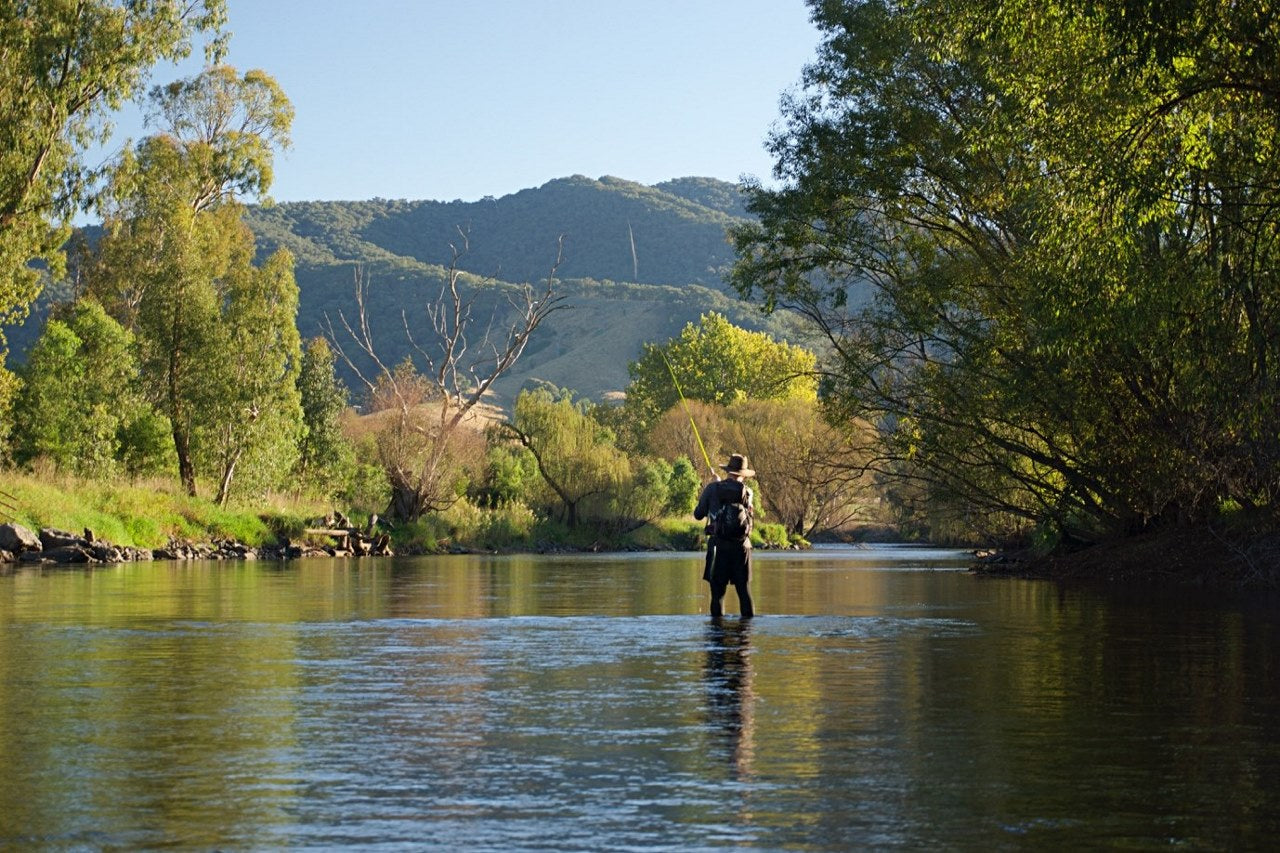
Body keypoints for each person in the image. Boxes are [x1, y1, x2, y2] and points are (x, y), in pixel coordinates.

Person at [693, 453, 756, 619]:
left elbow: (698, 514)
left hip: (717, 547)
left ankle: (717, 635)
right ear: (743, 475)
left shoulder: (713, 488)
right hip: (742, 548)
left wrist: (713, 486)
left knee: (717, 595)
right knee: (744, 592)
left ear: (728, 471)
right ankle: (745, 637)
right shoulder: (748, 492)